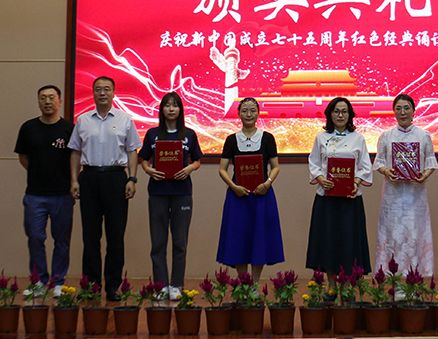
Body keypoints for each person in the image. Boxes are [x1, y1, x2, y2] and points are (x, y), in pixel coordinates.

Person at [68, 76, 140, 301]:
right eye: (98, 89)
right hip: (89, 178)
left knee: (115, 236)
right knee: (90, 236)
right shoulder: (82, 120)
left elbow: (132, 151)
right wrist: (74, 180)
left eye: (107, 89)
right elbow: (75, 152)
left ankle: (113, 286)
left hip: (116, 178)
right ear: (93, 93)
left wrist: (132, 179)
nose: (102, 93)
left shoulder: (125, 119)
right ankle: (91, 286)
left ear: (113, 93)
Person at [138, 92, 203, 300]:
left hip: (182, 193)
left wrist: (190, 168)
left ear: (180, 109)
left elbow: (197, 160)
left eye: (175, 105)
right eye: (167, 105)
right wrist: (148, 170)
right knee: (158, 242)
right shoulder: (152, 134)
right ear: (162, 109)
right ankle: (161, 285)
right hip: (158, 193)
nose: (171, 109)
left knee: (180, 243)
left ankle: (176, 285)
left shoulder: (189, 134)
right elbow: (143, 159)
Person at [14, 85, 74, 298]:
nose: (47, 101)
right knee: (35, 237)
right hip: (35, 195)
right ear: (38, 101)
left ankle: (58, 281)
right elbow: (23, 157)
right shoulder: (28, 128)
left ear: (59, 101)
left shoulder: (69, 129)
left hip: (62, 195)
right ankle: (39, 280)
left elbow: (76, 159)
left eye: (51, 97)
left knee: (62, 241)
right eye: (43, 98)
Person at [216, 97, 283, 282]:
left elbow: (275, 167)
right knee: (239, 238)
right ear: (238, 113)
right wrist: (234, 187)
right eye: (244, 110)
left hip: (262, 196)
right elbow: (222, 169)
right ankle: (243, 282)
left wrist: (267, 183)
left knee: (259, 238)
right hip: (238, 196)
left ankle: (254, 284)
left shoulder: (267, 138)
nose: (248, 114)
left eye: (252, 110)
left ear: (258, 113)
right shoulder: (231, 140)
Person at [306, 97, 373, 279]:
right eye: (336, 111)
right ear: (330, 114)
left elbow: (365, 166)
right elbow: (314, 162)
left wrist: (355, 183)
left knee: (349, 241)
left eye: (344, 111)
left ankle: (348, 286)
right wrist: (321, 178)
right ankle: (331, 285)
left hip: (350, 200)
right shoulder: (321, 137)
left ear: (350, 115)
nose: (340, 115)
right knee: (328, 241)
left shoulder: (358, 138)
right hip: (326, 199)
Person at [373, 94, 437, 275]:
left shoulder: (424, 136)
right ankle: (391, 276)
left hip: (415, 196)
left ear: (413, 111)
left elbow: (430, 161)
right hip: (392, 196)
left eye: (406, 108)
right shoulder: (386, 136)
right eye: (398, 108)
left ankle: (416, 276)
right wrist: (387, 172)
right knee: (392, 232)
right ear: (394, 111)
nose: (403, 112)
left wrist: (424, 175)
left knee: (415, 232)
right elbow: (379, 162)